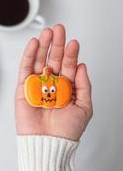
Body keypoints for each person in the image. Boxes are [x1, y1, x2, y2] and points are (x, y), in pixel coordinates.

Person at [15, 24, 93, 171]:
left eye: (50, 90)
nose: (49, 94)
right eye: (46, 90)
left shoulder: (60, 87)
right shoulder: (35, 85)